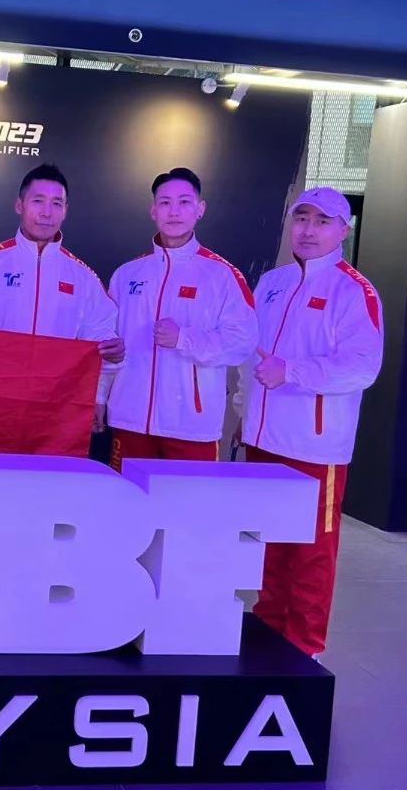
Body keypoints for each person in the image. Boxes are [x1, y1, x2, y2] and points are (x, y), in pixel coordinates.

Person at [239, 187, 382, 659]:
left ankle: (304, 648)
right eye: (301, 219)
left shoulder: (354, 290)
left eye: (323, 221)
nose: (308, 230)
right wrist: (245, 409)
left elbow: (363, 367)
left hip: (315, 447)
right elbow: (253, 356)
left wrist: (294, 372)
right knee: (270, 542)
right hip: (264, 439)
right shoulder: (272, 282)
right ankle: (267, 630)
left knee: (311, 553)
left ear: (344, 230)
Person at [107, 166, 257, 468]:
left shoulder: (222, 275)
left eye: (184, 202)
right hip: (130, 419)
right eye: (165, 203)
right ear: (153, 211)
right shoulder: (127, 274)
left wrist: (184, 339)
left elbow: (243, 343)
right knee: (127, 498)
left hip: (191, 427)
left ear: (200, 209)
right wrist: (100, 396)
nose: (174, 211)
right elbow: (106, 343)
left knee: (189, 500)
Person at [0, 163, 125, 431]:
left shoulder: (83, 277)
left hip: (55, 413)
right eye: (38, 201)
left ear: (66, 210)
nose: (47, 213)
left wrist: (99, 394)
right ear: (19, 205)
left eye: (56, 203)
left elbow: (100, 344)